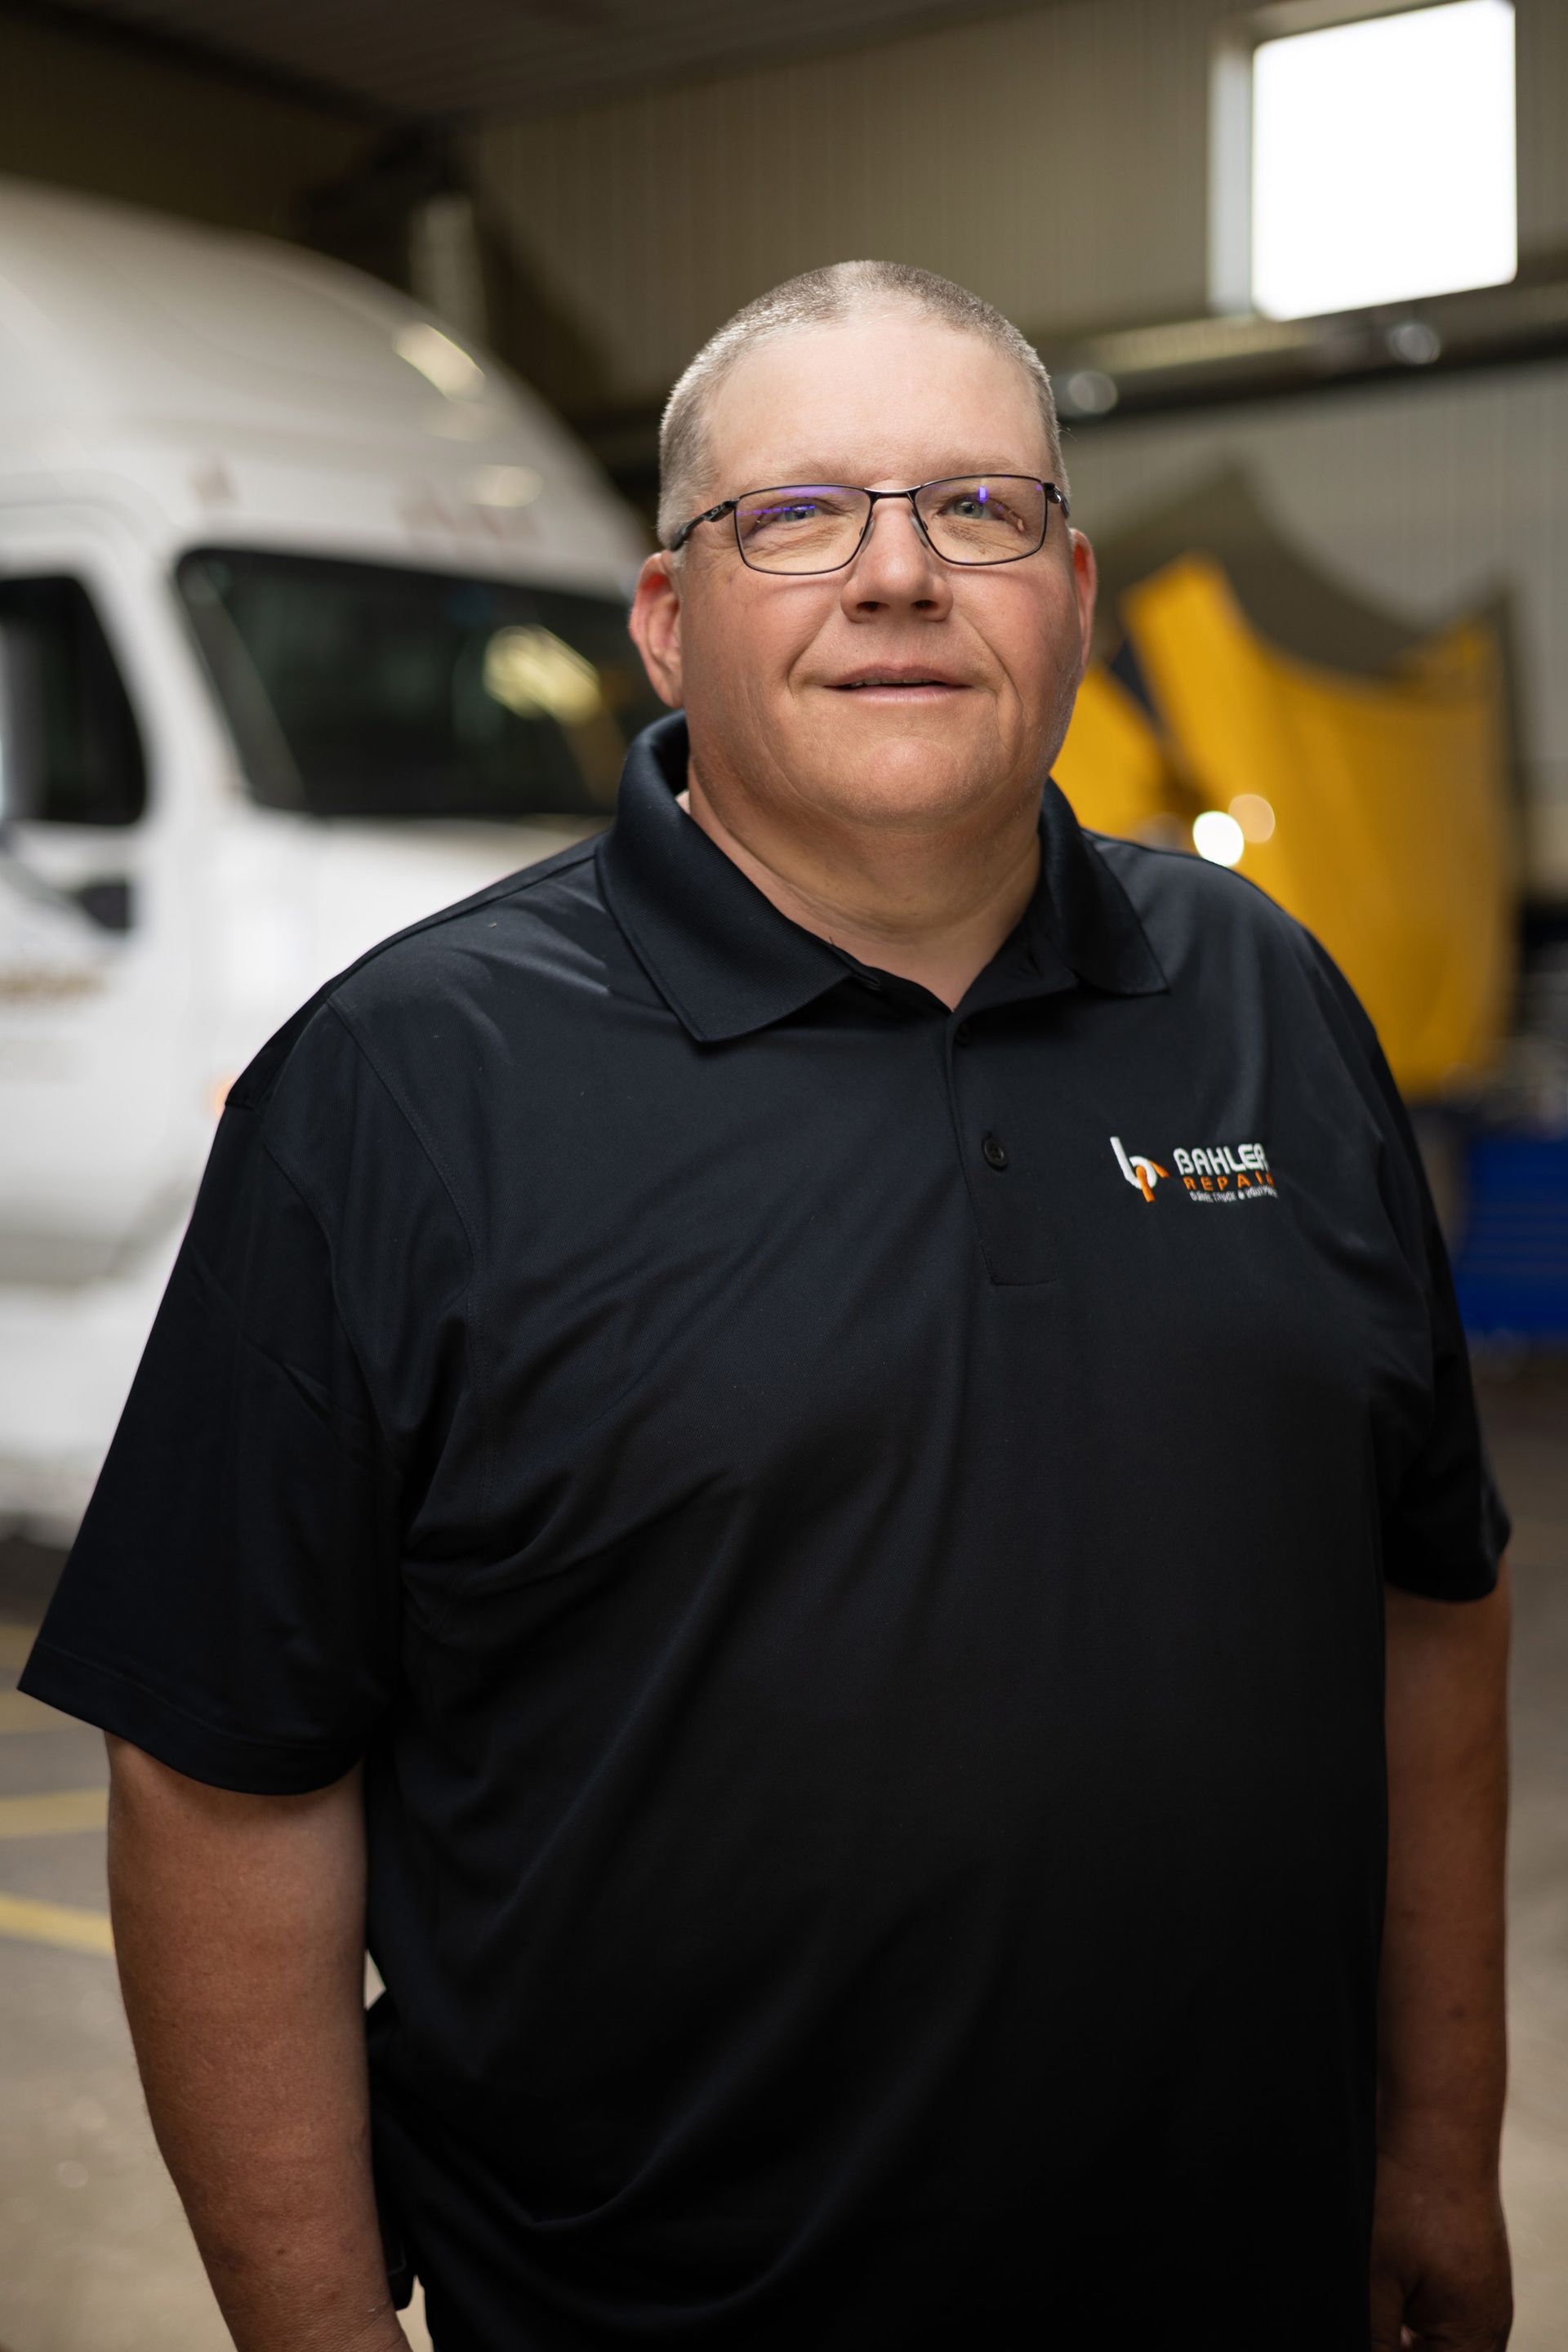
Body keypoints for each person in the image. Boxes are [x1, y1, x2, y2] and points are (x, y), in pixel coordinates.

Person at [22, 261, 1512, 2352]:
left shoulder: (1266, 999)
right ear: (664, 619)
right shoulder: (410, 1086)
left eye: (976, 510)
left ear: (1072, 591)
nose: (898, 577)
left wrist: (1439, 2154)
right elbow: (220, 1777)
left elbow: (1430, 1595)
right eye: (798, 515)